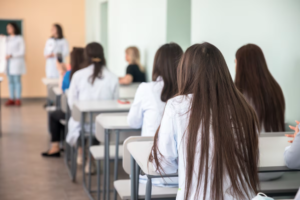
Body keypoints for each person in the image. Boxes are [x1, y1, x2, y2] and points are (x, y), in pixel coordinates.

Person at [150, 43, 260, 200]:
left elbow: (165, 166)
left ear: (184, 72)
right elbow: (253, 160)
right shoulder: (243, 106)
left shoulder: (176, 106)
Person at [234, 44, 285, 181]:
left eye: (235, 62)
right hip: (278, 166)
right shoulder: (276, 89)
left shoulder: (237, 93)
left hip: (248, 170)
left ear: (241, 65)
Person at [66, 42, 119, 146]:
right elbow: (116, 102)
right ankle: (92, 157)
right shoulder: (112, 77)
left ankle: (81, 152)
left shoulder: (78, 75)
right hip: (104, 122)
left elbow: (71, 101)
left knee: (80, 124)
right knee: (96, 125)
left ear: (85, 56)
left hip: (81, 121)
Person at [128, 43, 183, 136]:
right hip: (179, 149)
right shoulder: (188, 91)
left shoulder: (146, 89)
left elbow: (133, 122)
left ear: (157, 64)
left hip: (149, 147)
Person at [42, 47, 84, 157]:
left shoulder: (70, 74)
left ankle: (55, 146)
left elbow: (63, 92)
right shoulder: (90, 74)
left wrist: (61, 72)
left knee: (54, 114)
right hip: (90, 115)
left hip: (74, 113)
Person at [4, 22, 26, 106]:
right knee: (10, 81)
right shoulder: (7, 39)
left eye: (9, 27)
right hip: (8, 63)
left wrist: (11, 55)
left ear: (14, 28)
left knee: (17, 81)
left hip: (16, 62)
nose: (8, 29)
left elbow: (22, 51)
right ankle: (11, 98)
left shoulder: (19, 38)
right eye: (7, 28)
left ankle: (18, 99)